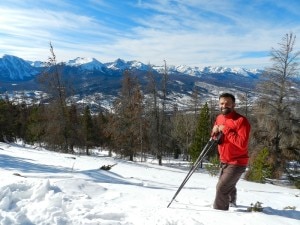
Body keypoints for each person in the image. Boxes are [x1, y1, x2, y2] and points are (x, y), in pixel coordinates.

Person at [211, 93, 251, 210]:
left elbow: (242, 144)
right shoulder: (219, 118)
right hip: (224, 160)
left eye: (227, 103)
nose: (224, 106)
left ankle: (220, 212)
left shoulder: (241, 121)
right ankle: (232, 202)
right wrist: (214, 132)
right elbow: (216, 139)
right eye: (222, 103)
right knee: (228, 185)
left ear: (233, 104)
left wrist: (226, 130)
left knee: (221, 188)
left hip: (237, 162)